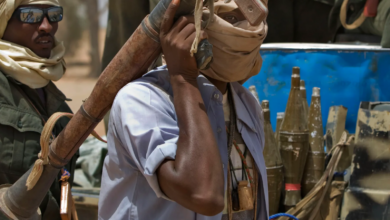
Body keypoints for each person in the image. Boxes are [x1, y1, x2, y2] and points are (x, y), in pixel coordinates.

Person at [98, 0, 269, 219]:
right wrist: (183, 78)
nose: (247, 29)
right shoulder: (142, 100)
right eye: (232, 19)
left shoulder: (247, 104)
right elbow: (204, 195)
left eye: (252, 19)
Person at [0, 0, 78, 219]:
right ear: (3, 20)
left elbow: (63, 184)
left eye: (54, 15)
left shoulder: (56, 101)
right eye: (30, 15)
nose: (46, 26)